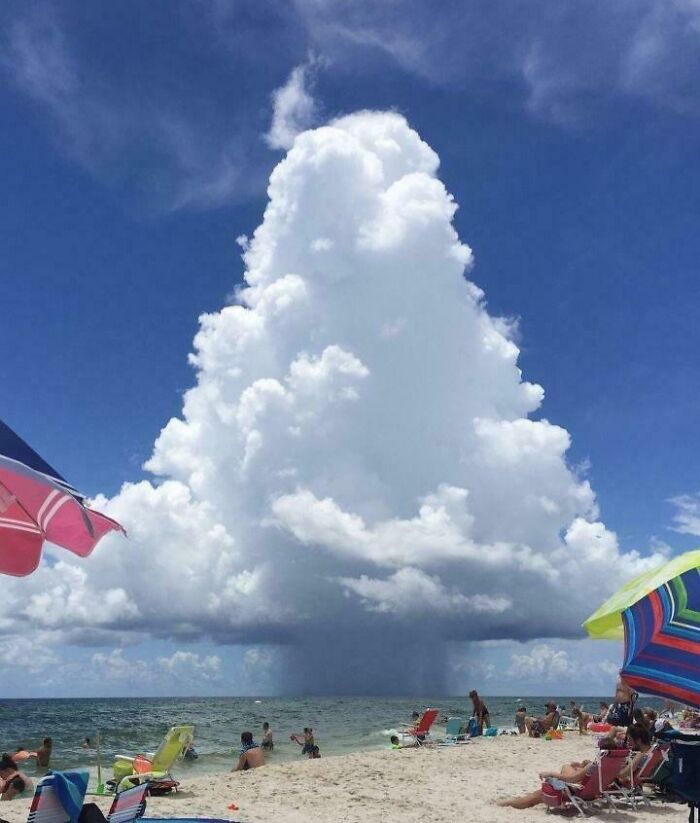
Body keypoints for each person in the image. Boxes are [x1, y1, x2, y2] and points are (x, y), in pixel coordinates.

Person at [498, 738, 618, 809]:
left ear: (601, 751)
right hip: (594, 792)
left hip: (578, 792)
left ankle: (506, 803)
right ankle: (509, 802)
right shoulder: (614, 765)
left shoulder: (594, 765)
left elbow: (571, 779)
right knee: (567, 768)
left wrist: (550, 773)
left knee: (538, 795)